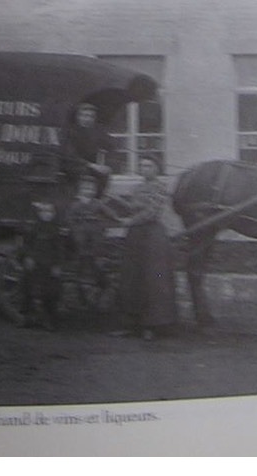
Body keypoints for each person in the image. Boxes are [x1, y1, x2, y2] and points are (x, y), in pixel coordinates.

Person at [111, 156, 177, 340]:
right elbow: (134, 207)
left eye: (148, 165)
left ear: (157, 169)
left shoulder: (160, 187)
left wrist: (129, 221)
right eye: (141, 165)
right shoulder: (138, 188)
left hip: (153, 238)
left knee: (153, 280)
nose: (144, 168)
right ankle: (131, 324)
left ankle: (153, 326)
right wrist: (114, 199)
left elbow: (152, 212)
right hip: (135, 237)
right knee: (132, 277)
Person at [17, 200, 66, 330]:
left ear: (54, 213)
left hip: (49, 265)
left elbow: (60, 250)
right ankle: (27, 317)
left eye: (50, 211)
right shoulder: (34, 227)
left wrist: (57, 265)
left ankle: (49, 320)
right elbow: (26, 244)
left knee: (50, 293)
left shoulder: (57, 230)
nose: (46, 214)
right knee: (28, 289)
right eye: (43, 211)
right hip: (34, 263)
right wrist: (27, 257)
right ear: (39, 213)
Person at [61, 101, 113, 198]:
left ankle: (96, 201)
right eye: (84, 116)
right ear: (78, 117)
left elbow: (110, 147)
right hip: (73, 166)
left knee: (104, 174)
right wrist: (91, 165)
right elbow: (69, 155)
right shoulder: (70, 132)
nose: (87, 119)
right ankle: (80, 200)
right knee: (84, 174)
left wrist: (106, 165)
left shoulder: (98, 131)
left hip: (93, 167)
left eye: (91, 116)